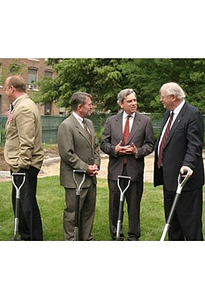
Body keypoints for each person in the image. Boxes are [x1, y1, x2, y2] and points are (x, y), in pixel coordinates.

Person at [100, 88, 154, 241]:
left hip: (134, 170)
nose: (134, 103)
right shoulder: (111, 121)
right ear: (121, 104)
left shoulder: (145, 121)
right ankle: (116, 235)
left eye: (135, 100)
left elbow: (150, 145)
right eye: (130, 101)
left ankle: (133, 236)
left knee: (134, 206)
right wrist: (114, 149)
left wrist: (138, 151)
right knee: (115, 206)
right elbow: (103, 143)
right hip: (116, 170)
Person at [154, 82, 205, 241]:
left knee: (190, 226)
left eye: (163, 97)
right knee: (172, 225)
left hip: (185, 180)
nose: (161, 100)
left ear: (173, 97)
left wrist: (188, 164)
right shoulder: (168, 114)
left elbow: (194, 144)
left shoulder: (192, 114)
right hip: (169, 179)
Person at [3, 75, 44, 241]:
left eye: (5, 87)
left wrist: (22, 166)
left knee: (27, 204)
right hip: (21, 165)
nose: (5, 91)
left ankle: (33, 238)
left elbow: (27, 140)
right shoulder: (18, 106)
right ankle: (25, 235)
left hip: (24, 166)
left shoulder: (24, 108)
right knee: (20, 202)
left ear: (12, 89)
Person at [57, 92, 100, 241]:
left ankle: (86, 239)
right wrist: (85, 167)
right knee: (72, 213)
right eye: (89, 104)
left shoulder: (89, 123)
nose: (91, 107)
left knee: (88, 212)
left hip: (90, 178)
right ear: (79, 107)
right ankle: (71, 240)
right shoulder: (66, 126)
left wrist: (96, 165)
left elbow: (95, 146)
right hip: (75, 178)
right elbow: (67, 153)